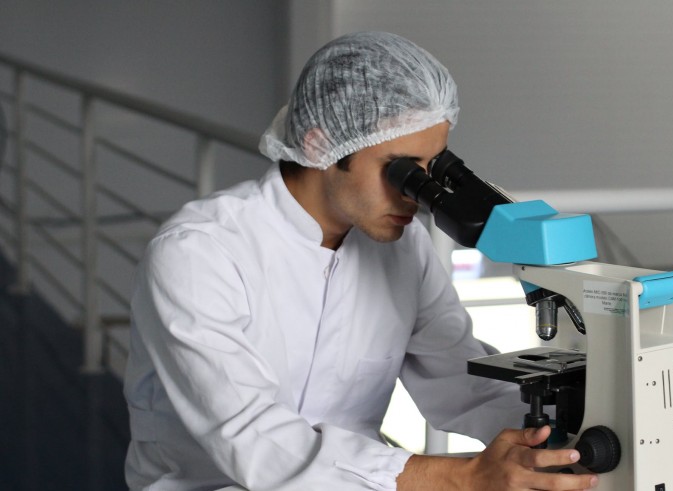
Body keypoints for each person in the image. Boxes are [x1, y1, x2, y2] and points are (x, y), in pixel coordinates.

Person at [123, 31, 598, 490]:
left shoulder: (402, 248)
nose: (418, 196)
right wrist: (465, 479)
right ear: (320, 146)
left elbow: (460, 381)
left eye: (432, 170)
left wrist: (564, 435)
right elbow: (253, 441)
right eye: (402, 170)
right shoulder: (200, 252)